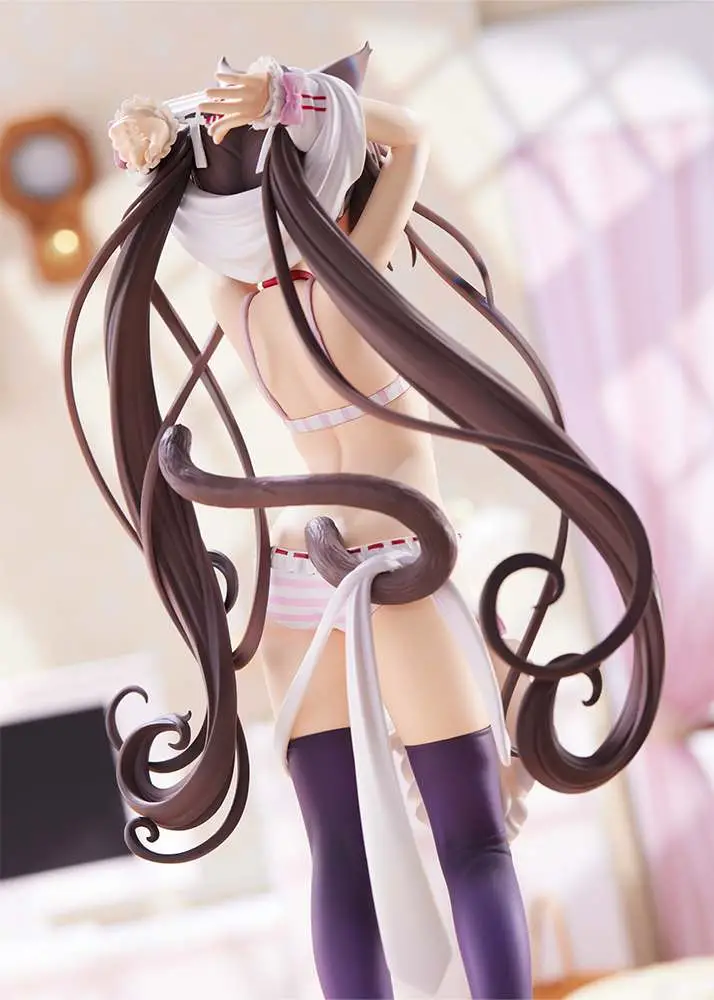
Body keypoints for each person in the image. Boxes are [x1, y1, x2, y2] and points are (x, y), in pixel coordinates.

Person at [64, 44, 664, 1000]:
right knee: (473, 841)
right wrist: (293, 98)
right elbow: (411, 136)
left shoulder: (237, 303)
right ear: (332, 190)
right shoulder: (351, 286)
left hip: (297, 575)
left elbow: (245, 209)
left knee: (336, 848)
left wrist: (181, 135)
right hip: (390, 565)